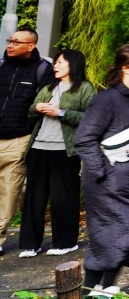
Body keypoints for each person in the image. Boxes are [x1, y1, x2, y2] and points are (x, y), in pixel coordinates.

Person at [75, 45, 129, 296]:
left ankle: (102, 287)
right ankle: (89, 290)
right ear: (126, 67)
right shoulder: (106, 99)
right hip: (104, 181)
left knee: (125, 231)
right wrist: (103, 171)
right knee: (116, 231)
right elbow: (84, 139)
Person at [19, 48, 94, 257]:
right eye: (56, 62)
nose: (55, 65)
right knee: (34, 198)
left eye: (60, 62)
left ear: (73, 64)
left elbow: (91, 117)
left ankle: (65, 242)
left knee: (63, 198)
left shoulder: (85, 88)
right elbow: (30, 111)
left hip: (64, 150)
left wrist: (60, 112)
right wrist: (38, 107)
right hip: (38, 148)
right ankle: (30, 244)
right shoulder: (49, 86)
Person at [0, 27, 53, 254]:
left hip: (19, 139)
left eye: (16, 42)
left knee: (9, 191)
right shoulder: (0, 66)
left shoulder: (42, 70)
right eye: (9, 41)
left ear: (31, 46)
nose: (10, 45)